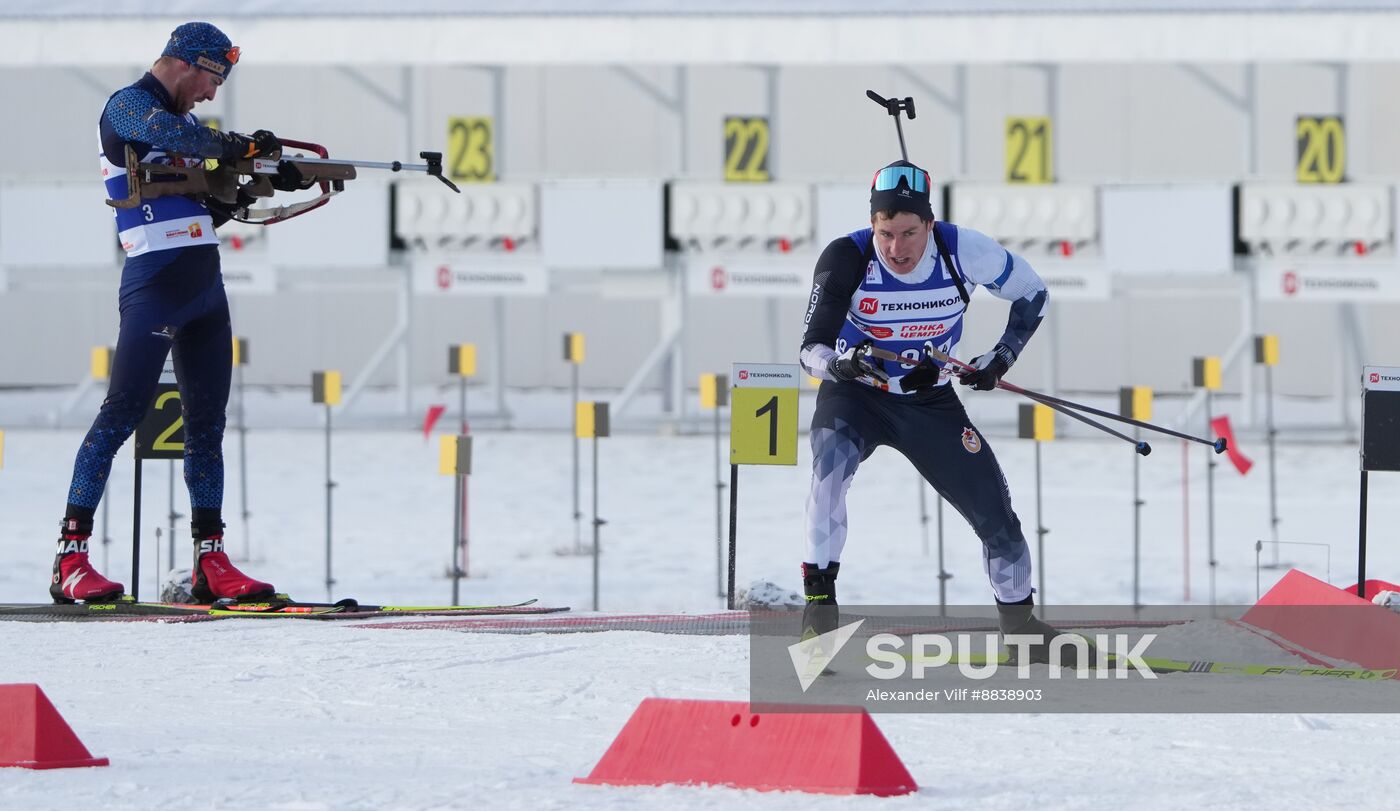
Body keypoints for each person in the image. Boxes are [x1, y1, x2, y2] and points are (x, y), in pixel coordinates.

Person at [51, 22, 301, 604]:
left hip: (204, 289)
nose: (212, 94)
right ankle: (70, 557)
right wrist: (238, 145)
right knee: (121, 414)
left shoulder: (191, 127)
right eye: (213, 79)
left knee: (207, 429)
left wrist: (263, 177)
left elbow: (206, 204)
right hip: (156, 285)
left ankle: (210, 559)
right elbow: (168, 134)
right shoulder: (129, 108)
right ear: (187, 63)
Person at [797, 159, 1071, 660]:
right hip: (857, 394)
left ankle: (1020, 625)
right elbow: (809, 350)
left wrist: (1001, 356)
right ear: (872, 224)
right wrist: (843, 365)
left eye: (908, 233)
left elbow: (1034, 292)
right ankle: (820, 610)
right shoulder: (846, 256)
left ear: (929, 223)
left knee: (997, 515)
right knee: (827, 477)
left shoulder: (964, 250)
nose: (896, 249)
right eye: (885, 233)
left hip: (930, 400)